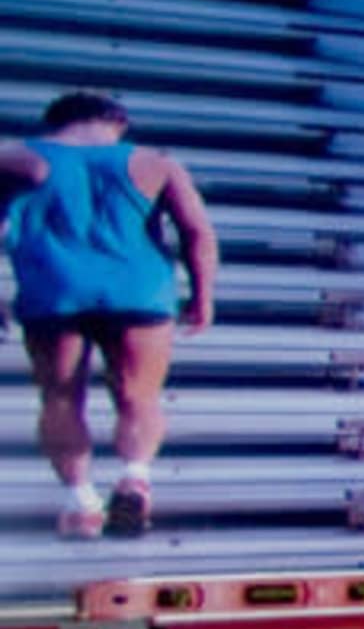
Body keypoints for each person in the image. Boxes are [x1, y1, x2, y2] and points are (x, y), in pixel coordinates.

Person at [3, 90, 215, 540]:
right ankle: (134, 477)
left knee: (60, 398)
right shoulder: (155, 164)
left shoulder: (17, 159)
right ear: (115, 122)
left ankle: (80, 503)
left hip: (53, 293)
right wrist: (203, 296)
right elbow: (197, 232)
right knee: (140, 394)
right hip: (139, 293)